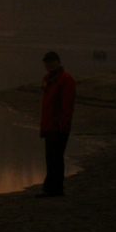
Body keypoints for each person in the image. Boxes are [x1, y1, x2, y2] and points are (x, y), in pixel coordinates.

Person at [38, 50, 75, 197]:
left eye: (53, 61)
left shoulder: (66, 79)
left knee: (55, 158)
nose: (50, 64)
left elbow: (67, 105)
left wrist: (63, 126)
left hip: (58, 127)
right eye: (47, 62)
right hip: (49, 125)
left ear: (59, 62)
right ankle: (52, 188)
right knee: (51, 158)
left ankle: (54, 189)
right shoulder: (48, 80)